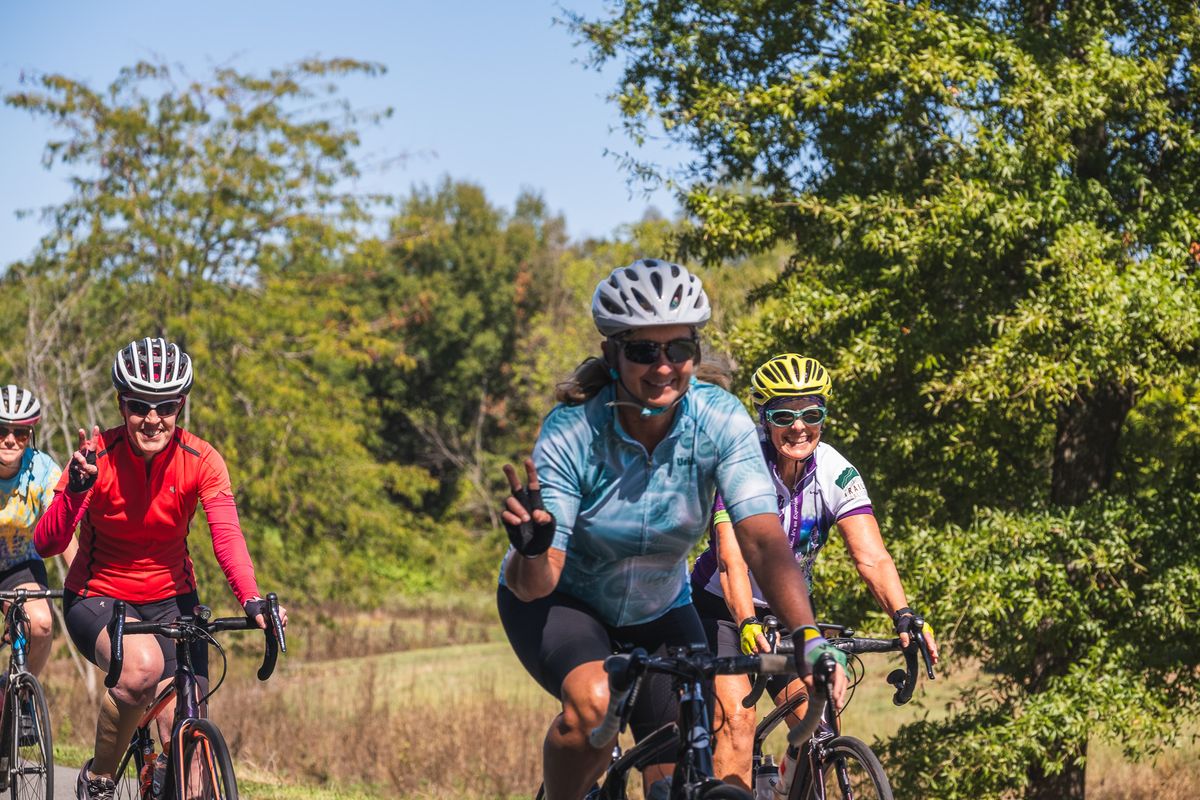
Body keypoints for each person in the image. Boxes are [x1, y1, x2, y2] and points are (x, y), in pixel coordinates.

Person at [496, 260, 848, 800]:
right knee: (593, 703)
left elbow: (761, 540)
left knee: (681, 773)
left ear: (695, 353)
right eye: (643, 351)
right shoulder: (572, 431)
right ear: (613, 353)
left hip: (660, 607)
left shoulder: (720, 420)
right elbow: (535, 583)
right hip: (563, 601)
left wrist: (807, 636)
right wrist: (531, 550)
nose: (663, 367)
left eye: (679, 349)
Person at [33, 337, 286, 800]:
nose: (152, 418)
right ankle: (100, 778)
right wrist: (73, 491)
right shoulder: (96, 459)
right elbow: (46, 542)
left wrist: (251, 599)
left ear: (181, 405)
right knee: (141, 670)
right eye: (139, 406)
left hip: (173, 601)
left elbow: (226, 536)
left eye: (166, 406)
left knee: (185, 743)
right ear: (120, 403)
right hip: (98, 596)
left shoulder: (202, 459)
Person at [689, 353, 941, 791]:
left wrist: (903, 614)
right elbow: (732, 561)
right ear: (764, 417)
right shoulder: (741, 462)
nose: (799, 426)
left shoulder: (835, 471)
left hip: (789, 612)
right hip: (723, 609)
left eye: (811, 413)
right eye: (784, 414)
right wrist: (746, 621)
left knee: (818, 721)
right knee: (737, 720)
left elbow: (872, 557)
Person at [0, 385, 60, 679]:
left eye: (20, 433)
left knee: (41, 623)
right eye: (2, 431)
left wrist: (83, 581)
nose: (10, 440)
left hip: (19, 566)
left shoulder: (42, 469)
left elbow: (63, 525)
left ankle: (23, 690)